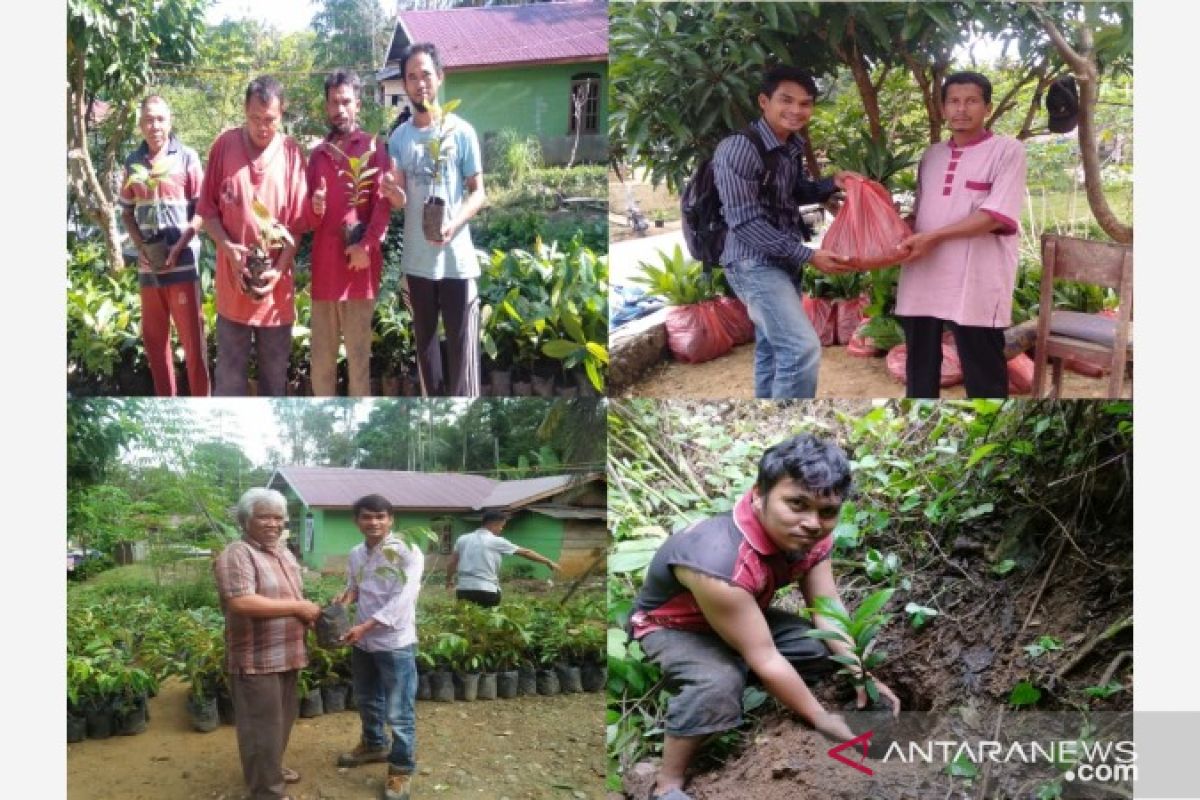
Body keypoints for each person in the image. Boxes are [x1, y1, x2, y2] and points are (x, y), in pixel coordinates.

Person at [628, 434, 901, 800]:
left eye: (827, 511)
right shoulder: (719, 560)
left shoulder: (810, 538)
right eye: (796, 504)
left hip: (742, 616)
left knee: (819, 649)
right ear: (759, 494)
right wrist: (821, 719)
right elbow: (766, 656)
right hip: (676, 626)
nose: (812, 523)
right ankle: (668, 783)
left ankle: (748, 677)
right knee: (718, 682)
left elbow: (828, 612)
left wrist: (861, 674)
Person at [712, 66, 860, 399]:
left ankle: (770, 407)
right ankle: (790, 415)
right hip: (752, 263)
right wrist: (809, 255)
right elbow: (745, 221)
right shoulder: (738, 149)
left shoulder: (789, 146)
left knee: (773, 350)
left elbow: (792, 192)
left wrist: (829, 185)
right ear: (764, 101)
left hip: (782, 260)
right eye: (786, 100)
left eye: (805, 104)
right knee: (801, 348)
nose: (796, 111)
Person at [895, 71, 1027, 398]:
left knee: (983, 371)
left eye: (971, 101)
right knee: (920, 369)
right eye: (953, 101)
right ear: (942, 108)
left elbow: (994, 217)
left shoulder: (1008, 151)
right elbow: (923, 211)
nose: (961, 109)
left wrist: (933, 237)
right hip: (923, 270)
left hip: (976, 277)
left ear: (987, 107)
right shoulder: (932, 156)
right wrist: (888, 224)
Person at [381, 42, 487, 397]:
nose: (419, 83)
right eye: (411, 77)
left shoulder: (461, 132)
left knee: (462, 365)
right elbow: (399, 198)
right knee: (428, 362)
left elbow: (478, 192)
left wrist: (453, 223)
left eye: (425, 74)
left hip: (457, 263)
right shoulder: (399, 139)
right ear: (405, 86)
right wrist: (392, 195)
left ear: (440, 78)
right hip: (417, 264)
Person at [198, 75, 308, 396]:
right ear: (245, 111)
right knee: (229, 378)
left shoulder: (291, 154)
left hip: (276, 294)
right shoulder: (223, 147)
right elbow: (207, 211)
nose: (262, 127)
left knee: (274, 381)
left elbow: (297, 225)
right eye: (255, 119)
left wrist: (279, 269)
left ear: (282, 113)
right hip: (233, 291)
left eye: (270, 120)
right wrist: (228, 247)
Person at [213, 488, 320, 800]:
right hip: (256, 658)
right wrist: (298, 608)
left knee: (281, 721)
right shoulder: (238, 553)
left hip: (289, 652)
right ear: (247, 519)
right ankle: (266, 791)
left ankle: (271, 769)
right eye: (264, 516)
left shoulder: (282, 552)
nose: (273, 523)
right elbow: (241, 602)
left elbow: (291, 594)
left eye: (278, 517)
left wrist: (310, 611)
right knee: (261, 729)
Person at [307, 70, 394, 397]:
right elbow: (307, 220)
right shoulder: (317, 156)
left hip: (360, 273)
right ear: (326, 107)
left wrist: (367, 247)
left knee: (359, 363)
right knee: (321, 365)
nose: (339, 109)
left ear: (358, 104)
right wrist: (313, 207)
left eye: (346, 101)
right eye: (333, 102)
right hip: (325, 274)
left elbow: (382, 207)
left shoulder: (374, 148)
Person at [333, 494, 424, 800]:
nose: (373, 522)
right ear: (356, 521)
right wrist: (344, 600)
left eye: (380, 516)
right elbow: (355, 587)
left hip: (394, 641)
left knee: (399, 711)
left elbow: (404, 599)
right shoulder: (357, 553)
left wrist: (365, 626)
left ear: (391, 519)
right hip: (362, 641)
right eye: (366, 517)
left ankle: (400, 770)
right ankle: (373, 745)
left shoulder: (407, 551)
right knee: (366, 698)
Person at [118, 95, 210, 396]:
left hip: (183, 267)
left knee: (194, 349)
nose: (154, 125)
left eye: (159, 119)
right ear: (140, 124)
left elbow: (202, 212)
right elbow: (127, 211)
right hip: (149, 271)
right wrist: (141, 247)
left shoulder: (187, 158)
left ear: (170, 121)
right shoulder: (133, 163)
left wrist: (180, 244)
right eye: (147, 119)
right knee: (156, 348)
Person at [445, 510, 560, 607]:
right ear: (494, 524)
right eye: (501, 526)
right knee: (488, 626)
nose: (501, 529)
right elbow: (525, 552)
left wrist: (449, 580)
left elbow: (452, 563)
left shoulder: (462, 539)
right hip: (486, 591)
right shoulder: (496, 541)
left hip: (463, 590)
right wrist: (547, 561)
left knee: (465, 624)